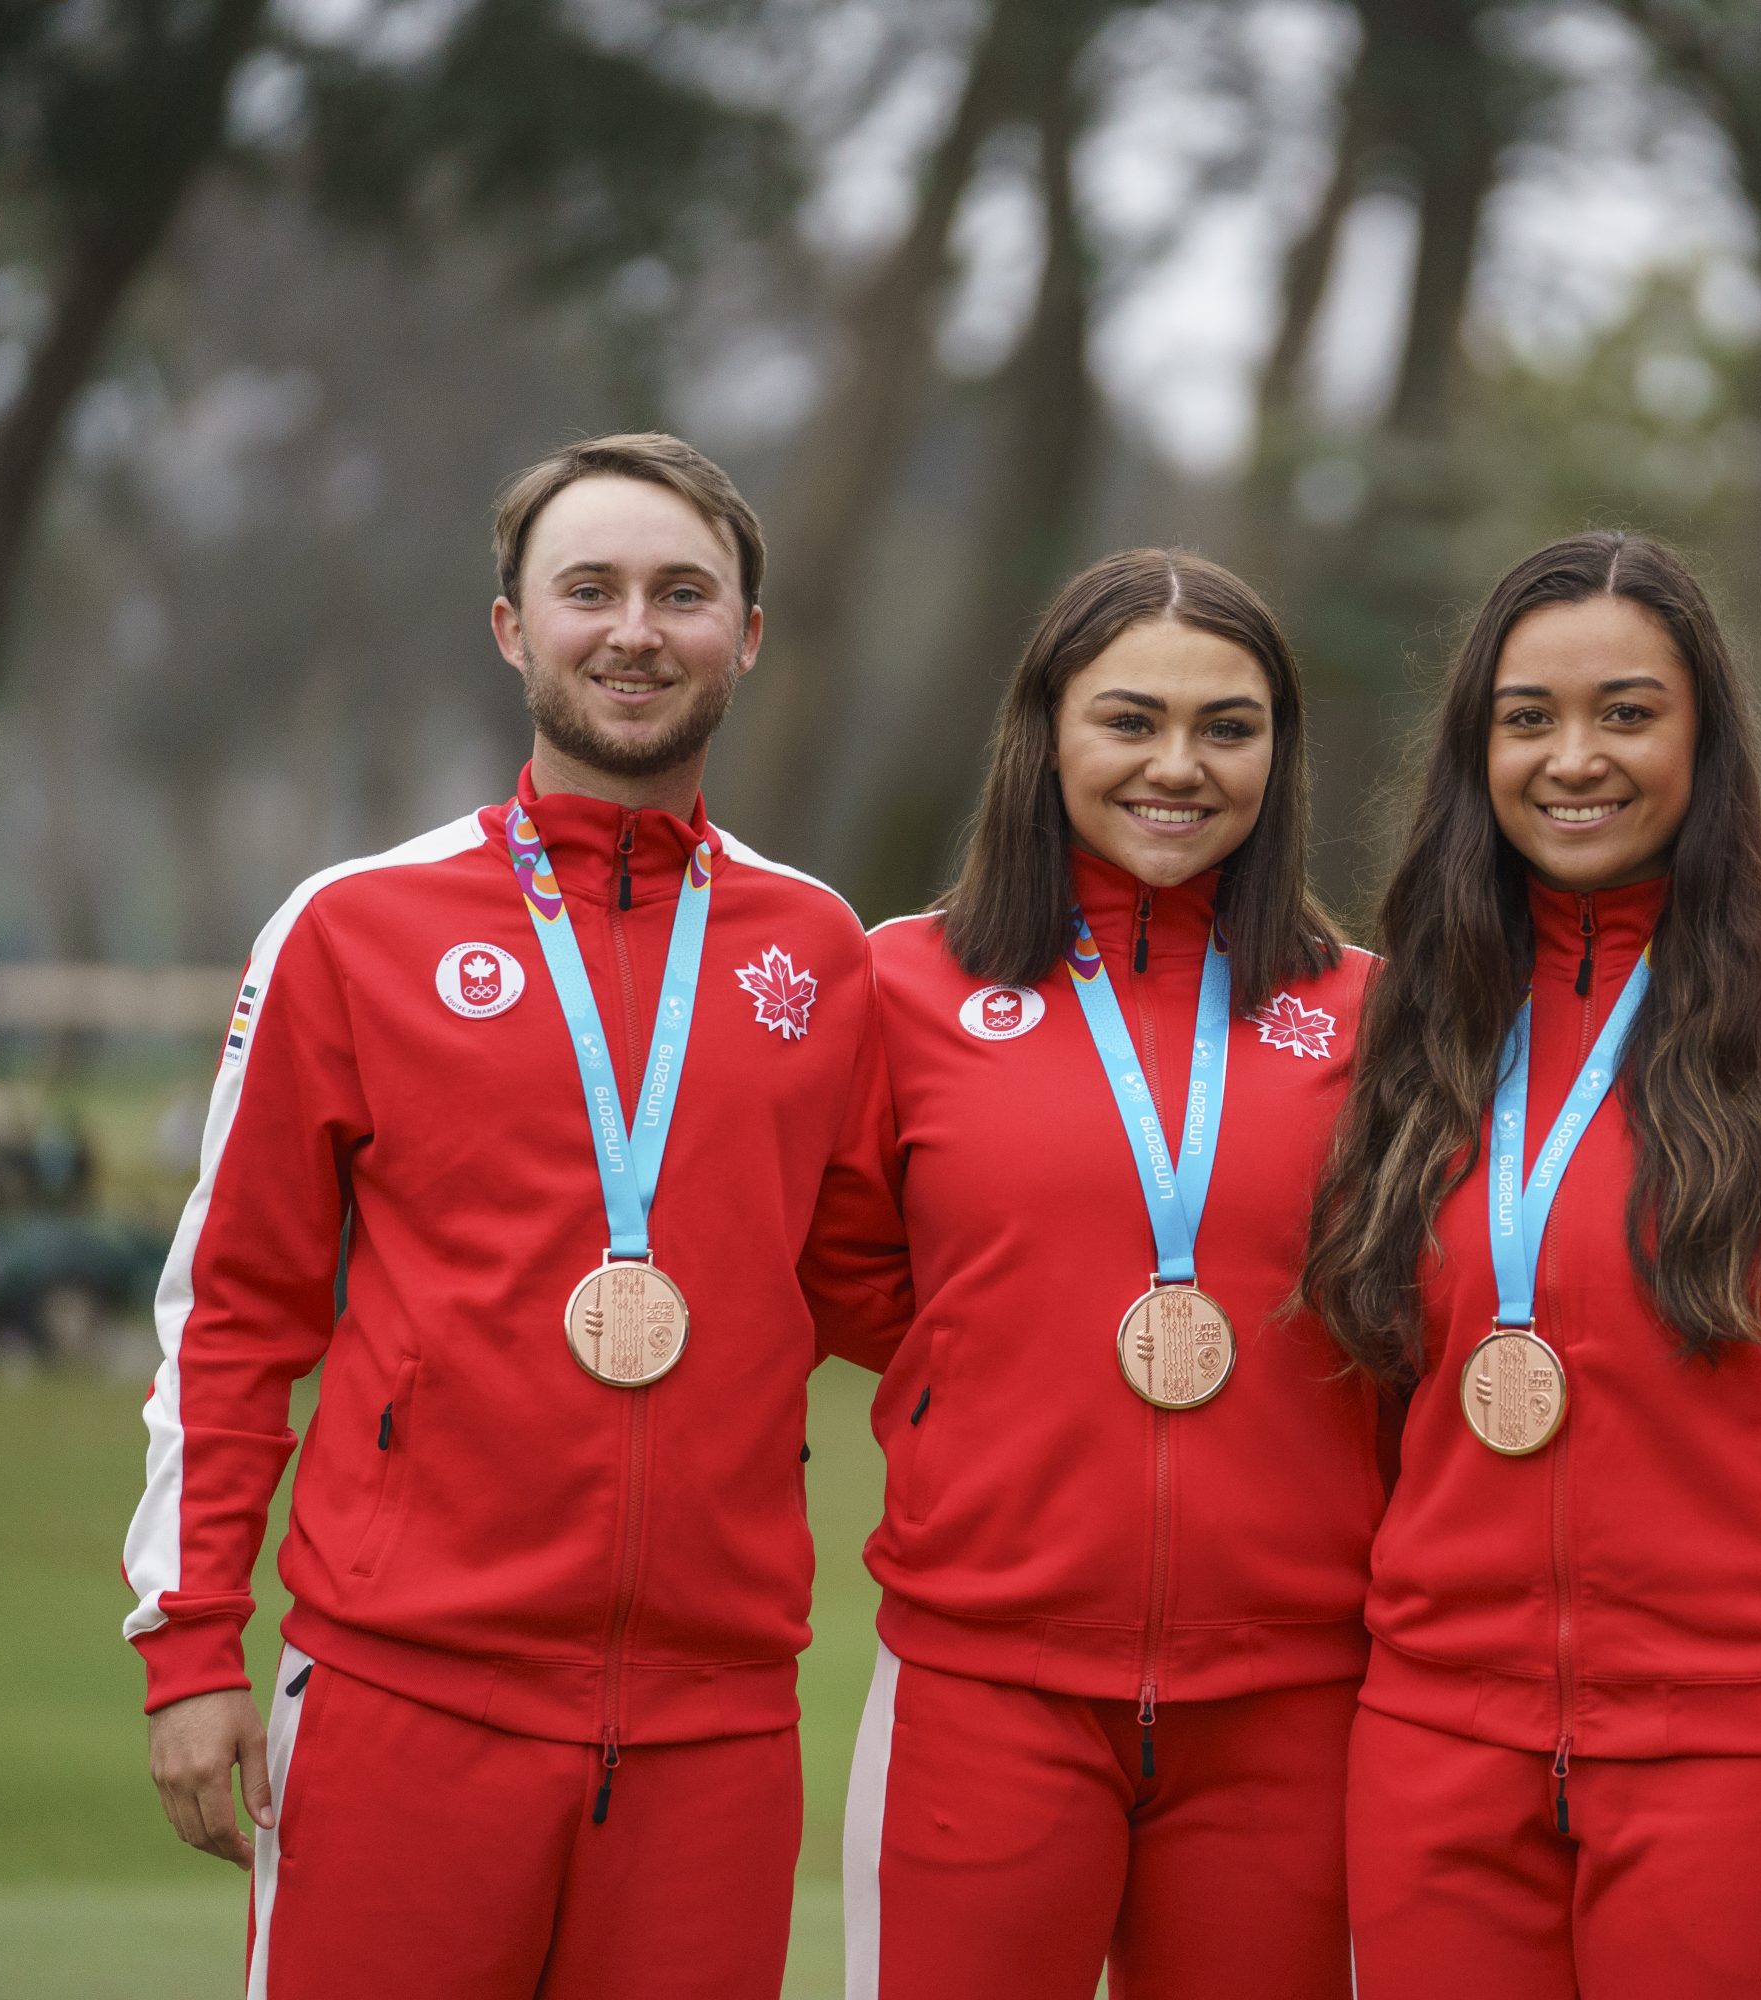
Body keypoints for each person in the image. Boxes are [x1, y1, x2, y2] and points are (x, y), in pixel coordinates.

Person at [122, 433, 900, 1998]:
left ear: (746, 634)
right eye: (589, 590)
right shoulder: (355, 929)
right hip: (405, 1699)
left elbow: (891, 1294)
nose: (635, 629)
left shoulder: (819, 950)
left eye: (684, 593)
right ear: (509, 626)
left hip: (715, 1722)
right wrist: (193, 1640)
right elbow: (235, 1311)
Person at [1306, 531, 1761, 1999]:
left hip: (1737, 1733)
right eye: (1528, 717)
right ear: (1473, 749)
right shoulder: (1400, 1022)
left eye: (1628, 712)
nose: (1576, 758)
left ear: (1706, 741)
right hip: (1436, 1727)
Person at [829, 548, 1385, 2000]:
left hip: (1296, 1701)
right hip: (984, 1681)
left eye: (1229, 726)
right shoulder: (901, 987)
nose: (1179, 767)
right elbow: (860, 1277)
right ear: (1047, 732)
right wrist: (1005, 1371)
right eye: (1131, 720)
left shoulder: (1373, 1013)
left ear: (1281, 749)